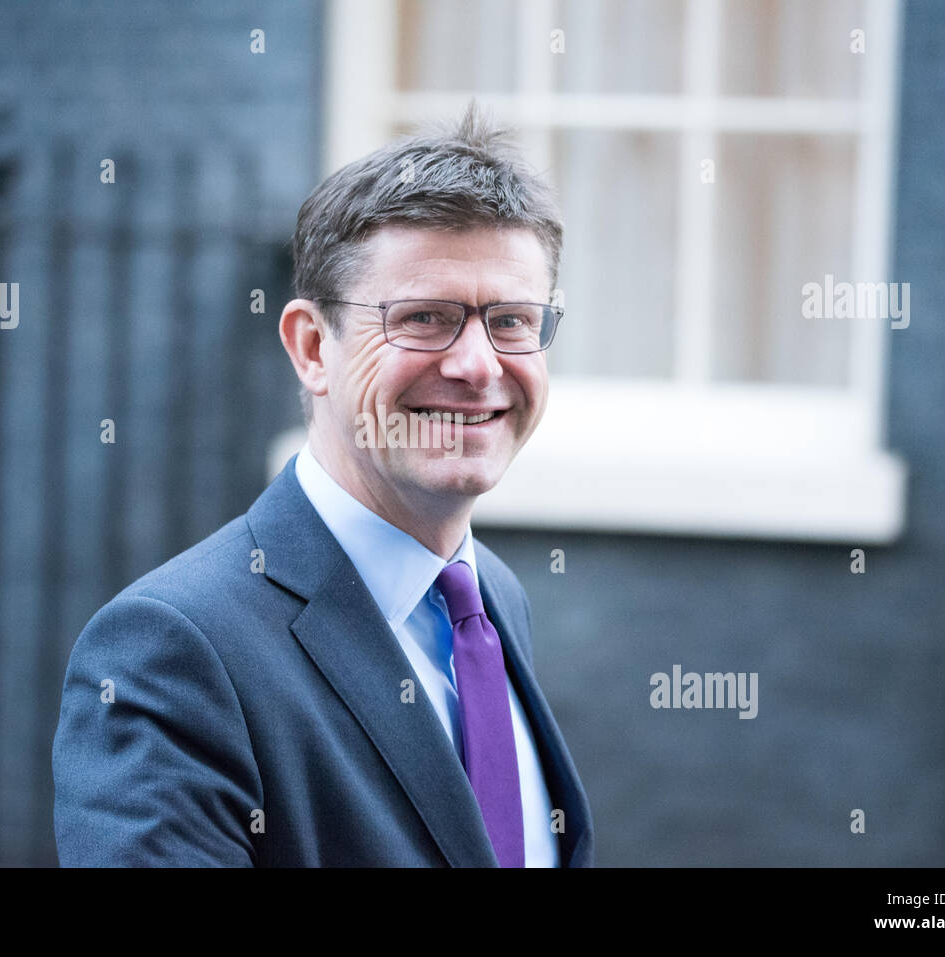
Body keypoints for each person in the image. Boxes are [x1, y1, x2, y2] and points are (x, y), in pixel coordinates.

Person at [52, 103, 593, 867]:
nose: (478, 365)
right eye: (427, 317)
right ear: (312, 347)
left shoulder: (492, 599)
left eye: (511, 321)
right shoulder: (169, 653)